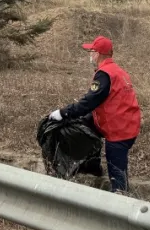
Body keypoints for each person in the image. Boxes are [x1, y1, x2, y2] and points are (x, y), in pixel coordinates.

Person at [47, 36, 141, 193]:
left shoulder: (104, 74)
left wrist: (63, 113)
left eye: (91, 51)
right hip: (128, 125)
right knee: (86, 126)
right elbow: (106, 101)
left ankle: (121, 202)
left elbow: (89, 102)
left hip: (119, 131)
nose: (89, 55)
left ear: (97, 54)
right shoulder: (118, 71)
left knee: (117, 176)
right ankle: (92, 168)